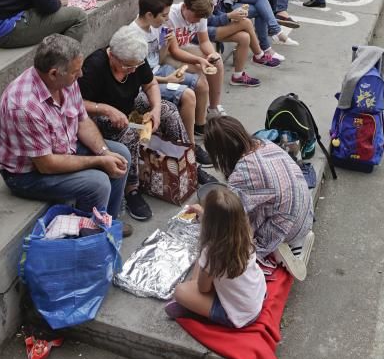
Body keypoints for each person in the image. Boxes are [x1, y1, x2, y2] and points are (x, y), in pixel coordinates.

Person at [0, 34, 131, 232]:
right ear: (53, 73)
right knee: (98, 183)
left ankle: (107, 222)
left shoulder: (65, 80)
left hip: (62, 147)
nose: (81, 75)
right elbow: (46, 165)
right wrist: (99, 161)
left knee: (120, 155)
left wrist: (104, 152)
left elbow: (82, 120)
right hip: (27, 174)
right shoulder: (24, 106)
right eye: (76, 72)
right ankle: (88, 236)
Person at [78, 25, 190, 222]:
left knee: (168, 110)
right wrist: (105, 109)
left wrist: (155, 109)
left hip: (129, 103)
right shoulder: (94, 66)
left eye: (135, 67)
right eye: (127, 66)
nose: (131, 71)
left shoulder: (136, 58)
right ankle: (132, 189)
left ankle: (187, 162)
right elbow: (78, 104)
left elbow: (150, 84)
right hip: (99, 114)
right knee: (129, 132)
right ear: (112, 55)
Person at [203, 117, 314, 279]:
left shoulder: (241, 174)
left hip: (287, 227)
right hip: (305, 214)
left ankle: (277, 248)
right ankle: (295, 244)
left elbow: (232, 218)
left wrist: (206, 216)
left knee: (233, 234)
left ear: (220, 153)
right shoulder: (264, 143)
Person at [165, 187, 266, 328]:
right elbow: (227, 222)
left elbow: (204, 289)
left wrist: (195, 284)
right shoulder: (246, 233)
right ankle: (196, 302)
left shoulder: (212, 252)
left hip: (237, 315)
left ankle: (193, 309)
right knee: (204, 267)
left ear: (209, 224)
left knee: (180, 292)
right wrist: (205, 214)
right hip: (257, 296)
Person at [131, 0, 211, 165]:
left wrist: (164, 45)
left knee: (200, 83)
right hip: (147, 83)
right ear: (150, 15)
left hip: (159, 71)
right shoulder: (134, 38)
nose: (167, 20)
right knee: (188, 95)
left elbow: (157, 60)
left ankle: (199, 127)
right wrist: (168, 80)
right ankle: (190, 148)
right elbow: (138, 78)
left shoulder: (157, 28)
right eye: (164, 16)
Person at [200, 0, 278, 85]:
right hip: (201, 32)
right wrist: (229, 17)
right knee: (245, 22)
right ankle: (259, 55)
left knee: (244, 37)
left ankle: (238, 76)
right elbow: (208, 21)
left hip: (209, 28)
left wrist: (230, 16)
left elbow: (216, 13)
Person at [165, 0, 226, 119]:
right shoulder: (170, 16)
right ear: (185, 7)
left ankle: (214, 107)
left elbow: (204, 41)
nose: (198, 20)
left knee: (217, 63)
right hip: (167, 54)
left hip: (185, 48)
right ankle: (199, 117)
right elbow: (174, 51)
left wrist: (212, 54)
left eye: (201, 18)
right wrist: (199, 60)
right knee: (198, 69)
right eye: (196, 17)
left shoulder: (200, 14)